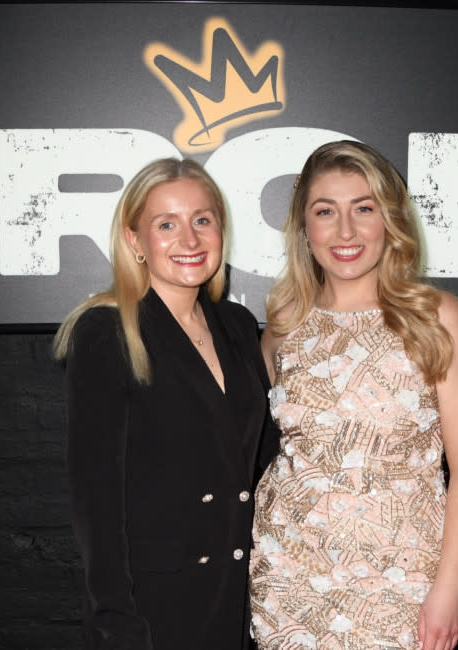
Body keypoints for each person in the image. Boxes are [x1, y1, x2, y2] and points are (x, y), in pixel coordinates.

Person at [249, 141, 458, 650]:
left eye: (364, 209)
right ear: (303, 226)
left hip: (403, 581)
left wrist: (450, 587)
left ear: (391, 219)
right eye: (325, 212)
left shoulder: (437, 319)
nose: (345, 232)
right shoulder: (283, 327)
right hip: (288, 575)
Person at [54, 158, 279, 650]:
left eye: (202, 219)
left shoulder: (237, 327)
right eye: (166, 224)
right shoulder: (105, 331)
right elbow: (96, 499)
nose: (190, 239)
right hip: (155, 606)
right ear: (135, 240)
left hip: (237, 594)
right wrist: (116, 621)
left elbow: (258, 460)